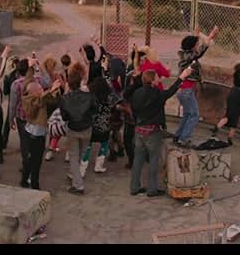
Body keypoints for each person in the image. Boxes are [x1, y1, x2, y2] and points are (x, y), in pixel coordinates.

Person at [128, 66, 194, 197]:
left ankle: (134, 187)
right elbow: (170, 91)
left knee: (138, 160)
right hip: (153, 132)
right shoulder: (156, 94)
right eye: (157, 77)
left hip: (139, 130)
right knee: (153, 160)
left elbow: (133, 108)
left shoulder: (137, 93)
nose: (159, 78)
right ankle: (152, 189)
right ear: (152, 81)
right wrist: (182, 77)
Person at [173, 26, 219, 147]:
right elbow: (198, 52)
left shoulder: (185, 55)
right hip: (186, 90)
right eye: (196, 44)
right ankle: (183, 138)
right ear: (192, 47)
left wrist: (197, 35)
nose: (197, 46)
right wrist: (210, 36)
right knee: (194, 115)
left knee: (188, 114)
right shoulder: (188, 57)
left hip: (184, 90)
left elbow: (195, 51)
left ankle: (178, 136)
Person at [20, 76, 64, 189]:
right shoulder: (29, 101)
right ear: (34, 92)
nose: (42, 91)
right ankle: (30, 182)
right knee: (32, 161)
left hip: (40, 135)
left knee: (36, 161)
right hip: (32, 136)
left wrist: (55, 91)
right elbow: (37, 103)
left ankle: (30, 181)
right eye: (40, 89)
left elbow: (52, 101)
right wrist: (50, 90)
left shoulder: (40, 99)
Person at [59, 70, 95, 194]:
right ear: (80, 82)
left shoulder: (65, 98)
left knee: (74, 156)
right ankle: (74, 175)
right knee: (80, 155)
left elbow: (64, 117)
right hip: (86, 128)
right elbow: (95, 109)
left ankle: (78, 184)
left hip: (73, 128)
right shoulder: (89, 96)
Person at [213, 52, 240, 144]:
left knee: (228, 114)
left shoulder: (238, 67)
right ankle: (229, 137)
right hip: (239, 93)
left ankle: (217, 128)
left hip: (233, 91)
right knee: (235, 116)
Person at [81, 77, 119, 176]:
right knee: (104, 144)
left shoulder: (90, 95)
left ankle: (82, 168)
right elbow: (117, 103)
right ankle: (99, 166)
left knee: (88, 146)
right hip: (104, 125)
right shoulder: (110, 96)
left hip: (90, 124)